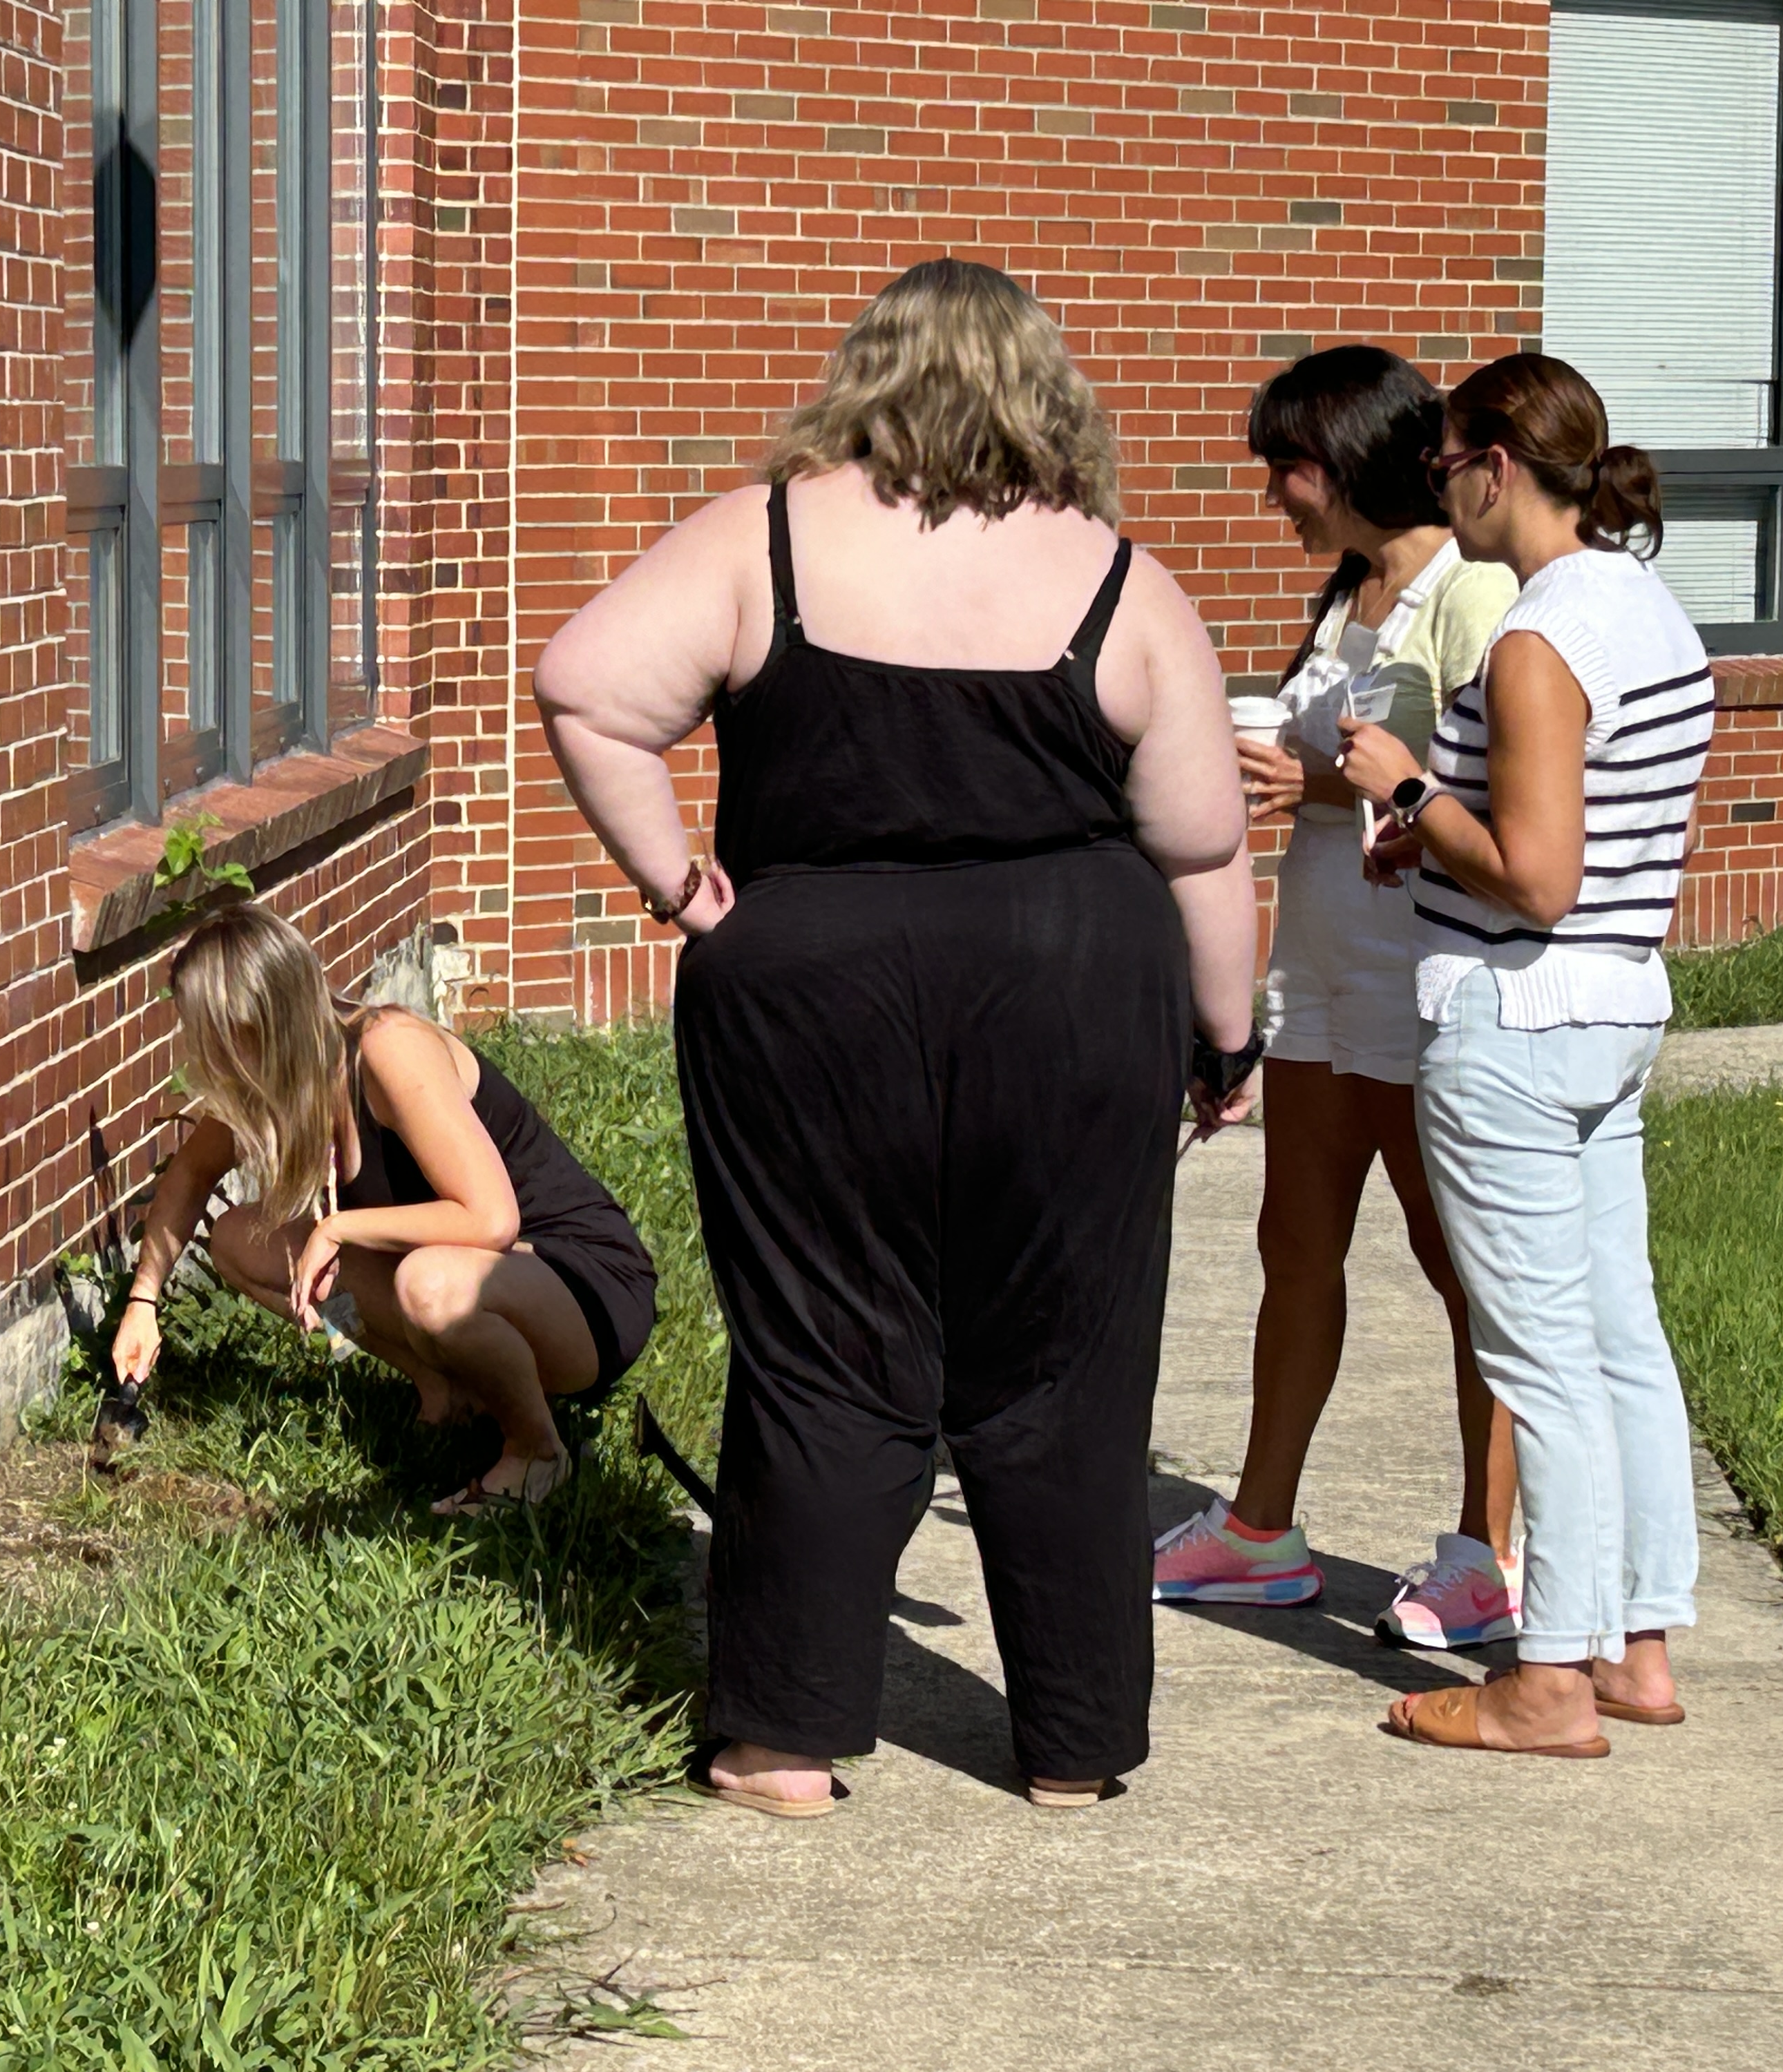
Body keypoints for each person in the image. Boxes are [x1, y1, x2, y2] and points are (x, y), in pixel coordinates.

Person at [535, 258, 1259, 1814]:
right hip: (1075, 991)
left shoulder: (767, 538)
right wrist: (1228, 1041)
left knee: (819, 1347)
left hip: (810, 992)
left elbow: (585, 687)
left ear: (867, 376)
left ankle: (783, 1739)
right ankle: (1070, 1748)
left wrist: (679, 883)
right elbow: (1202, 846)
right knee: (1066, 1367)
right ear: (1043, 389)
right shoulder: (1124, 581)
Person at [1334, 353, 1712, 1756]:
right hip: (1611, 1010)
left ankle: (1549, 1680)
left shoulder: (1539, 639)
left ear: (1497, 463)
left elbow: (1541, 876)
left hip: (1518, 1019)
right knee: (1619, 1336)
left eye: (1442, 466)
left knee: (1541, 1355)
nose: (1439, 489)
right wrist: (1434, 839)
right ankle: (1637, 1646)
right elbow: (1579, 844)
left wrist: (1412, 788)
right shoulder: (1647, 610)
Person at [1152, 346, 1525, 1649]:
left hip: (1424, 978)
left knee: (1459, 1266)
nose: (1275, 495)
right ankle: (1259, 1529)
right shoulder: (1352, 590)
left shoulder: (1472, 591)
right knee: (1291, 1248)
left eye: (1287, 466)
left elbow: (1495, 793)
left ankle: (1488, 1554)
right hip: (1318, 974)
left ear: (1355, 457)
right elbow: (1340, 765)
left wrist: (1314, 785)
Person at [107, 903, 659, 1514]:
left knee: (431, 1285)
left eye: (210, 1037)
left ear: (254, 1028)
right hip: (474, 1277)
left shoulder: (387, 1048)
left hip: (584, 1287)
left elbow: (492, 1221)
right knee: (240, 1238)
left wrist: (342, 1226)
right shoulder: (285, 1074)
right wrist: (143, 1302)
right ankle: (443, 1387)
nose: (205, 1055)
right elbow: (190, 1176)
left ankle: (538, 1453)